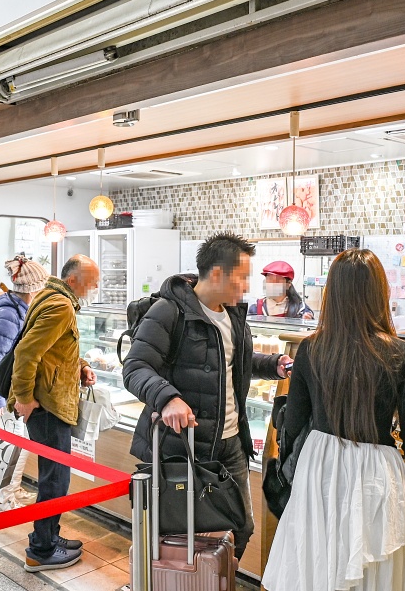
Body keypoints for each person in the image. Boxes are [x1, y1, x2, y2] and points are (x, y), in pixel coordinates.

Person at [261, 249, 405, 591]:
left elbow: (294, 421)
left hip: (319, 465)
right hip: (378, 470)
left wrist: (289, 465)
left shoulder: (311, 348)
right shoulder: (400, 352)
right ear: (379, 293)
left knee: (320, 557)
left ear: (333, 294)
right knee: (373, 566)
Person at [123, 232, 292, 561]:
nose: (247, 286)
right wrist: (168, 398)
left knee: (240, 527)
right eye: (242, 277)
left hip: (230, 443)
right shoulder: (169, 311)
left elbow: (233, 362)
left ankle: (217, 579)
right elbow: (135, 367)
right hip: (182, 446)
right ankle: (184, 580)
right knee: (178, 533)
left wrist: (273, 365)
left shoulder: (232, 314)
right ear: (216, 274)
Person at [9, 255, 99, 572]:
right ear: (73, 280)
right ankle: (41, 550)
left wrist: (81, 367)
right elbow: (26, 352)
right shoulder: (61, 305)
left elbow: (55, 352)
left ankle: (48, 536)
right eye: (92, 282)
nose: (95, 287)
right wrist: (24, 397)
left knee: (55, 478)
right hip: (47, 406)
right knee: (55, 481)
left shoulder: (52, 296)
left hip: (51, 400)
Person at [0, 255, 48, 513]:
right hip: (8, 391)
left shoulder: (18, 308)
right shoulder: (9, 313)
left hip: (12, 389)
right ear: (33, 289)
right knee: (14, 447)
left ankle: (13, 488)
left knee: (19, 444)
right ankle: (4, 499)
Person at [248, 260, 314, 319]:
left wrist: (306, 319)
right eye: (269, 280)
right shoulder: (256, 308)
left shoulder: (299, 308)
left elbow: (308, 324)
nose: (271, 285)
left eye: (277, 281)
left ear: (288, 284)